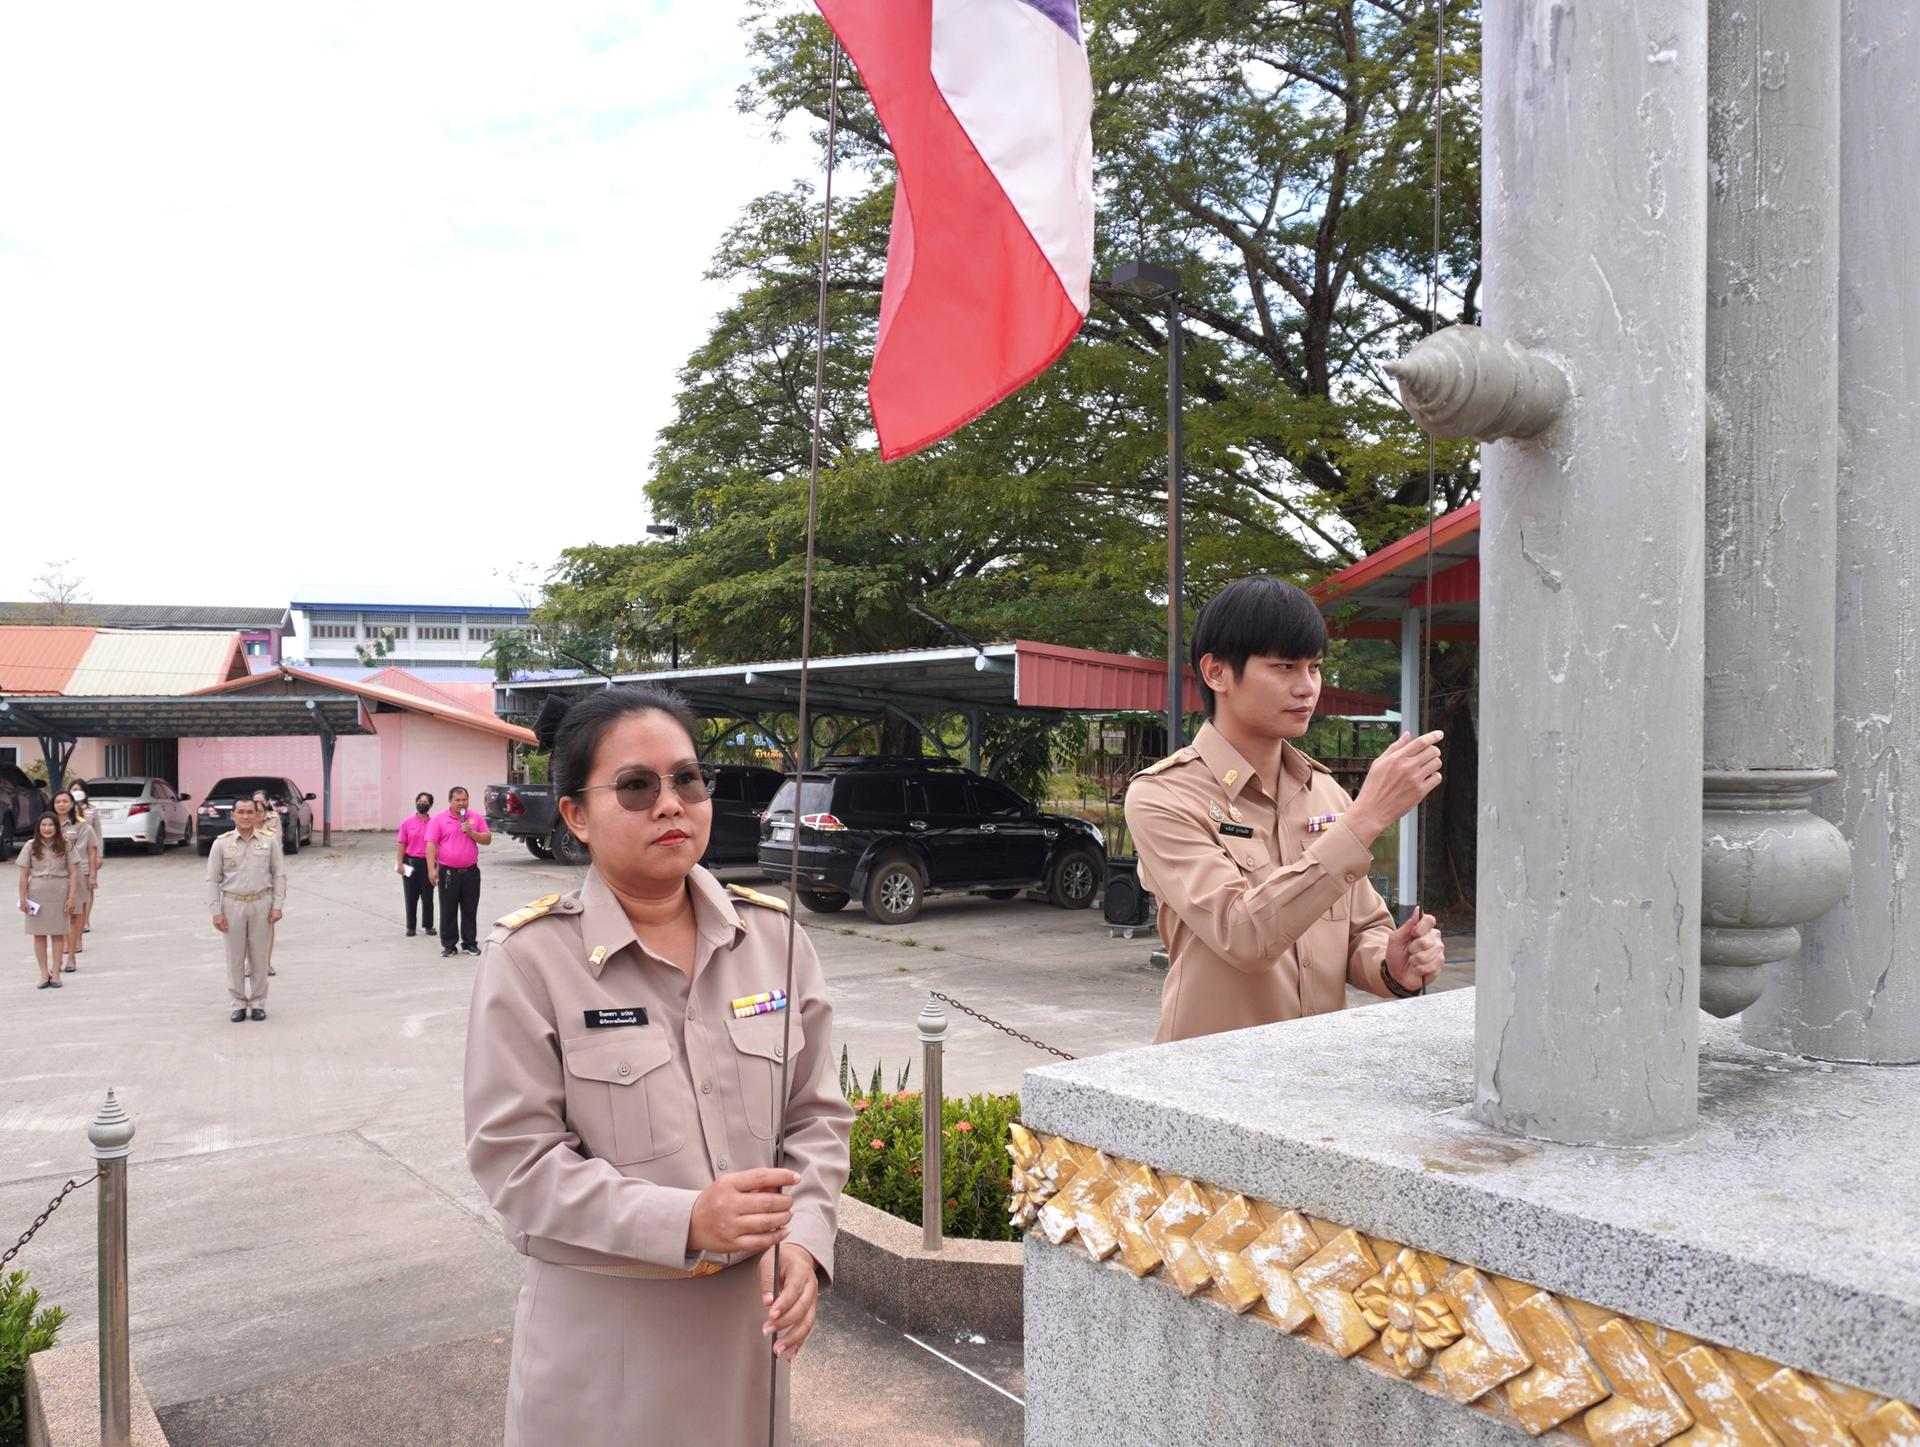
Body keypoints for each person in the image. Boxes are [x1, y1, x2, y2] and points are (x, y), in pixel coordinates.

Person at [464, 685, 851, 1447]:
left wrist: (805, 1238)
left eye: (688, 779)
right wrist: (686, 1218)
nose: (671, 803)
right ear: (575, 813)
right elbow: (516, 1163)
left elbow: (816, 1117)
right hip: (606, 1353)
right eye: (637, 786)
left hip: (748, 1342)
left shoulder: (776, 940)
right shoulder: (532, 961)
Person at [1125, 576, 1448, 1043]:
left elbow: (1362, 930)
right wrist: (1364, 820)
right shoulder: (1165, 796)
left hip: (1313, 1072)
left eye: (1314, 667)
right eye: (1284, 667)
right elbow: (1242, 934)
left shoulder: (1326, 793)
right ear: (1216, 673)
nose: (1307, 688)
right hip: (1205, 1079)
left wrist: (1391, 963)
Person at [206, 798, 286, 1022]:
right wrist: (216, 911)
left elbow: (279, 874)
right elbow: (212, 879)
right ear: (232, 816)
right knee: (234, 958)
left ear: (257, 815)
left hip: (262, 903)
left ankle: (258, 1002)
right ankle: (239, 1003)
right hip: (232, 905)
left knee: (259, 956)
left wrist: (278, 905)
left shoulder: (269, 842)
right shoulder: (221, 844)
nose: (245, 816)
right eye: (240, 812)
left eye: (250, 812)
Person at [427, 786, 491, 958]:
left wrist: (472, 833)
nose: (462, 803)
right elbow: (431, 844)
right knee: (448, 909)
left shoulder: (475, 818)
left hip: (470, 872)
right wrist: (431, 870)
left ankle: (470, 943)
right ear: (450, 801)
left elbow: (487, 839)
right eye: (458, 800)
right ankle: (449, 945)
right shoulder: (439, 820)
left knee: (470, 909)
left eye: (464, 800)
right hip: (448, 873)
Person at [18, 813, 77, 990]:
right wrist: (22, 899)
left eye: (51, 825)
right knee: (39, 934)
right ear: (38, 827)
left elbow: (73, 873)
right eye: (43, 825)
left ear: (56, 827)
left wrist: (71, 897)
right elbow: (23, 875)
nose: (47, 828)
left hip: (59, 890)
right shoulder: (30, 846)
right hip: (37, 892)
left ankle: (56, 973)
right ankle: (44, 973)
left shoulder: (66, 845)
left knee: (58, 933)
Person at [50, 790, 98, 974]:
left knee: (75, 912)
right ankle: (61, 951)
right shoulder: (47, 824)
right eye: (57, 801)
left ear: (72, 804)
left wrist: (92, 875)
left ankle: (72, 953)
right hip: (54, 875)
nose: (61, 804)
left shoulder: (81, 825)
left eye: (65, 801)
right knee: (58, 913)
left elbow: (88, 850)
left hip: (77, 872)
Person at [395, 791, 436, 937]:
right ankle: (410, 926)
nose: (422, 804)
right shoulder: (407, 823)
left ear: (430, 805)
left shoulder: (434, 823)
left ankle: (428, 925)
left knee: (427, 896)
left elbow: (438, 845)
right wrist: (399, 863)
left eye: (425, 802)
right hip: (410, 863)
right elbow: (401, 844)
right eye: (420, 801)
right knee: (410, 896)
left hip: (428, 863)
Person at [251, 790, 281, 975]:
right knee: (246, 929)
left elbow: (276, 857)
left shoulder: (272, 826)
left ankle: (266, 963)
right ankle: (249, 964)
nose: (254, 814)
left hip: (267, 883)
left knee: (267, 925)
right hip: (244, 887)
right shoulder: (236, 835)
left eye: (259, 807)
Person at [70, 781, 101, 939]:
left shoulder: (91, 810)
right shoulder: (65, 810)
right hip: (69, 858)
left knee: (88, 888)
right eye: (74, 789)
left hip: (87, 856)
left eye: (80, 789)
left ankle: (85, 920)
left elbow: (98, 834)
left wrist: (99, 856)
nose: (77, 792)